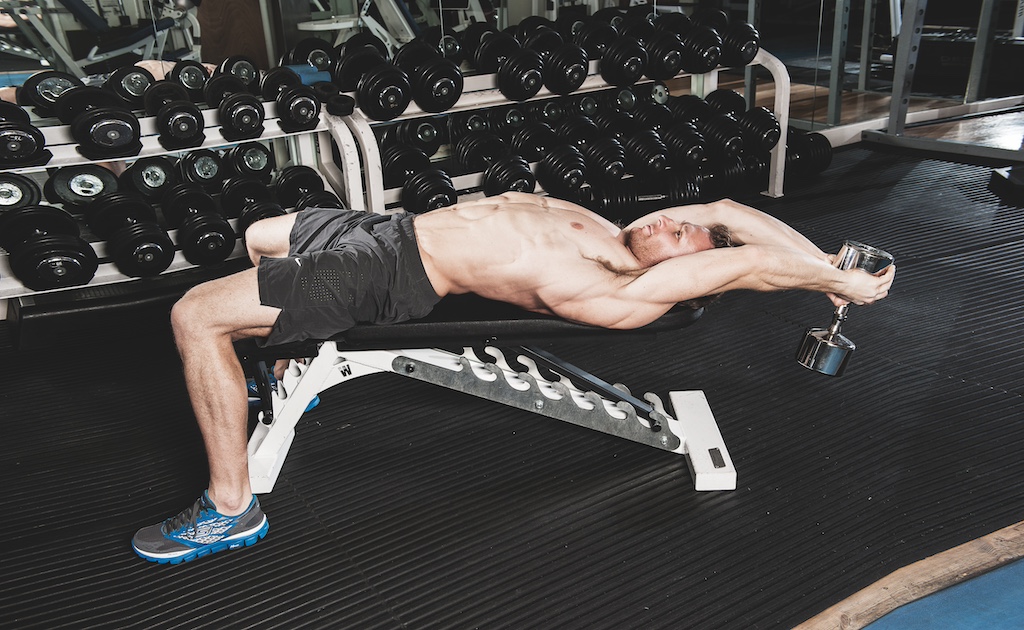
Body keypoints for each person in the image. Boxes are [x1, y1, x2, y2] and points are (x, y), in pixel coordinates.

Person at [131, 192, 896, 564]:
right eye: (670, 219)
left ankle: (231, 508)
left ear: (695, 272)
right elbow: (731, 211)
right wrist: (829, 269)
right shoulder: (625, 237)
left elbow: (753, 259)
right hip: (389, 227)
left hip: (386, 271)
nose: (666, 222)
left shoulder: (622, 287)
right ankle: (281, 345)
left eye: (681, 237)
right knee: (260, 235)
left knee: (195, 316)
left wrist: (832, 284)